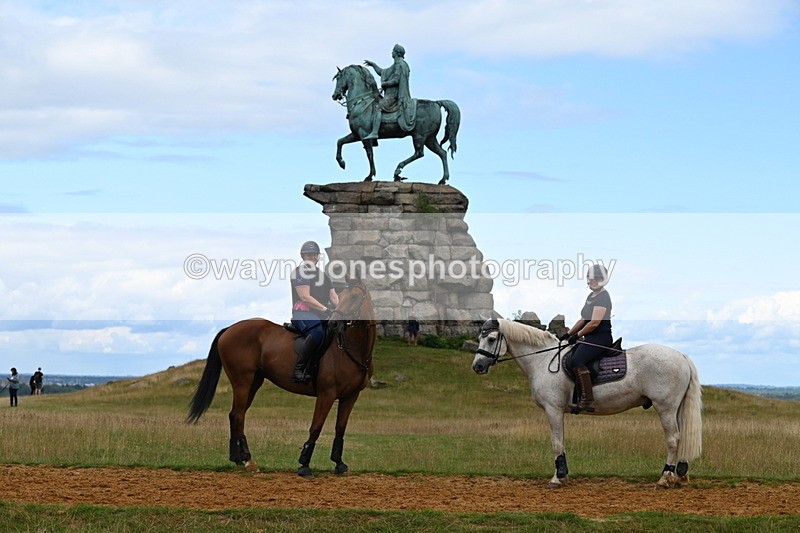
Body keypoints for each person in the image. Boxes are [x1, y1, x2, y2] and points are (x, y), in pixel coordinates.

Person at [559, 264, 613, 413]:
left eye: (596, 279)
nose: (592, 281)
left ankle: (588, 400)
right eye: (591, 278)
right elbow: (583, 319)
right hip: (590, 337)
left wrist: (577, 335)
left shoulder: (603, 297)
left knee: (577, 360)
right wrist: (569, 334)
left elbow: (594, 323)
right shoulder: (591, 296)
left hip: (601, 338)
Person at [290, 240, 339, 383]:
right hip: (302, 313)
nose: (312, 257)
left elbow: (334, 297)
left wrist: (342, 311)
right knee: (317, 332)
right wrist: (326, 310)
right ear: (303, 256)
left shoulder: (324, 276)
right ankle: (299, 369)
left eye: (314, 255)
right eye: (309, 255)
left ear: (318, 257)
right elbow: (305, 297)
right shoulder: (300, 273)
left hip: (321, 314)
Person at [363, 43, 416, 140]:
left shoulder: (399, 64)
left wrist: (385, 84)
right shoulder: (396, 64)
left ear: (396, 53)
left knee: (378, 107)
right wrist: (373, 65)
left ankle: (374, 132)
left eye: (393, 51)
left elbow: (396, 80)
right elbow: (382, 72)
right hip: (391, 94)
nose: (391, 53)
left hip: (394, 95)